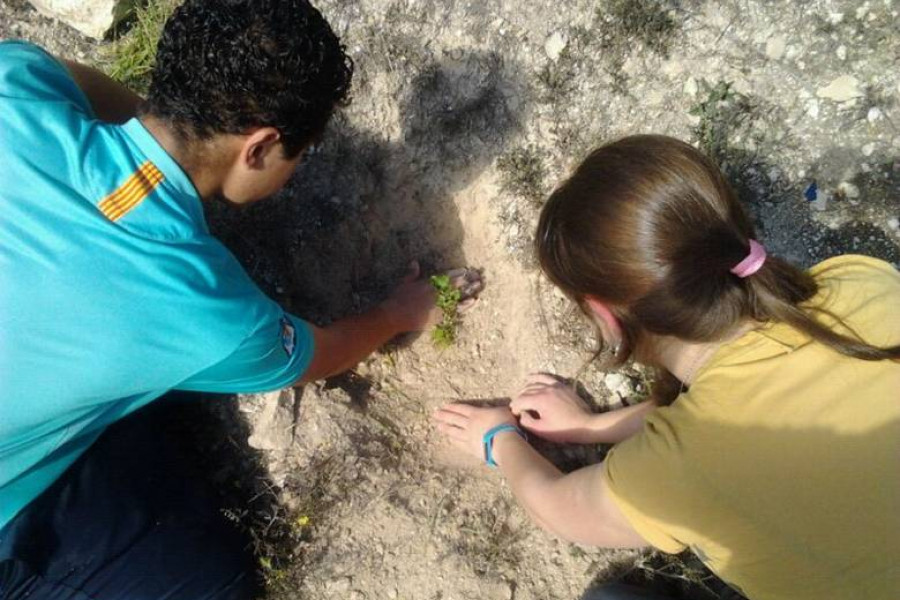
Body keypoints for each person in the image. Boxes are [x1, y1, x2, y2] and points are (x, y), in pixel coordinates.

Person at [0, 0, 478, 597]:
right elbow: (313, 357)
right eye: (297, 155)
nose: (297, 169)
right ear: (259, 148)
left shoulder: (14, 80)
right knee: (214, 583)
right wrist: (397, 313)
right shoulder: (210, 313)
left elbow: (69, 77)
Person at [435, 135, 899, 600]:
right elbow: (751, 397)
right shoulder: (859, 279)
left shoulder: (680, 471)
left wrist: (499, 439)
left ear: (605, 316)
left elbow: (558, 507)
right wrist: (592, 428)